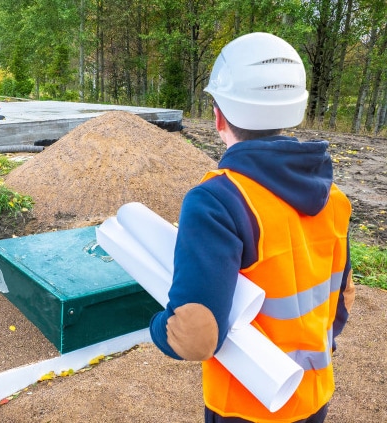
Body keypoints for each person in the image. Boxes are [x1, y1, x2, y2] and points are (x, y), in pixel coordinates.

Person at [149, 32, 355, 423]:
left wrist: (158, 326)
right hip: (313, 397)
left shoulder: (217, 201)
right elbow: (342, 301)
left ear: (219, 115)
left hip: (244, 407)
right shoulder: (335, 199)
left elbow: (196, 336)